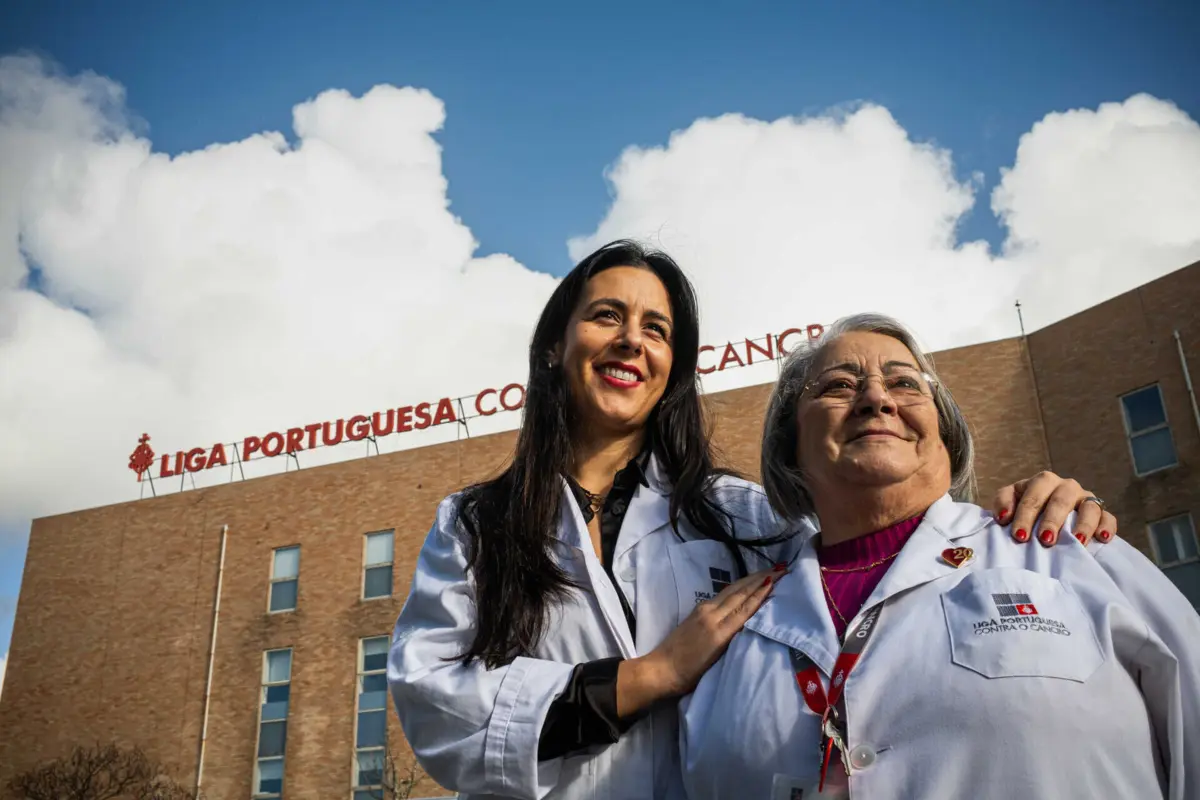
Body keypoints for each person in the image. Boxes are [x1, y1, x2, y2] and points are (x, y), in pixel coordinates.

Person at [388, 242, 1117, 800]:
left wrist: (1025, 520)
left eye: (657, 329)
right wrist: (650, 677)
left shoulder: (745, 519)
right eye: (606, 315)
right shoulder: (476, 525)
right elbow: (430, 705)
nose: (631, 341)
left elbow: (883, 579)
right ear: (556, 344)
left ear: (672, 367)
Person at [678, 313, 1200, 800]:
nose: (876, 399)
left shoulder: (1068, 552)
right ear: (789, 444)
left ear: (945, 434)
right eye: (839, 385)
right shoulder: (739, 630)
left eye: (905, 383)